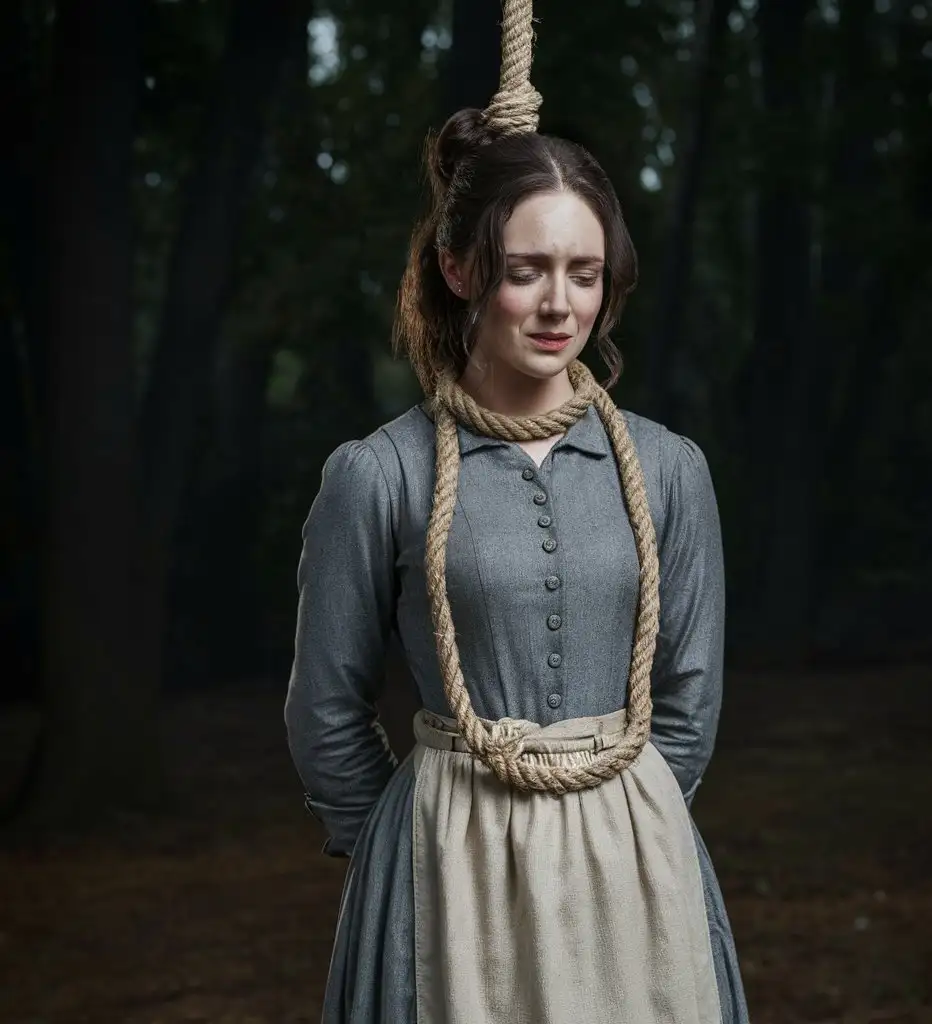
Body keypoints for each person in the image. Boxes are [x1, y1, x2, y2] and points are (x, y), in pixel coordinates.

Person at [285, 3, 749, 1022]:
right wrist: (404, 849)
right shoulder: (380, 473)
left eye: (582, 274)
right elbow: (325, 710)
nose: (557, 303)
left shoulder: (668, 469)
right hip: (445, 867)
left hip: (631, 859)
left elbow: (689, 693)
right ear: (460, 270)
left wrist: (620, 829)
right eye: (526, 269)